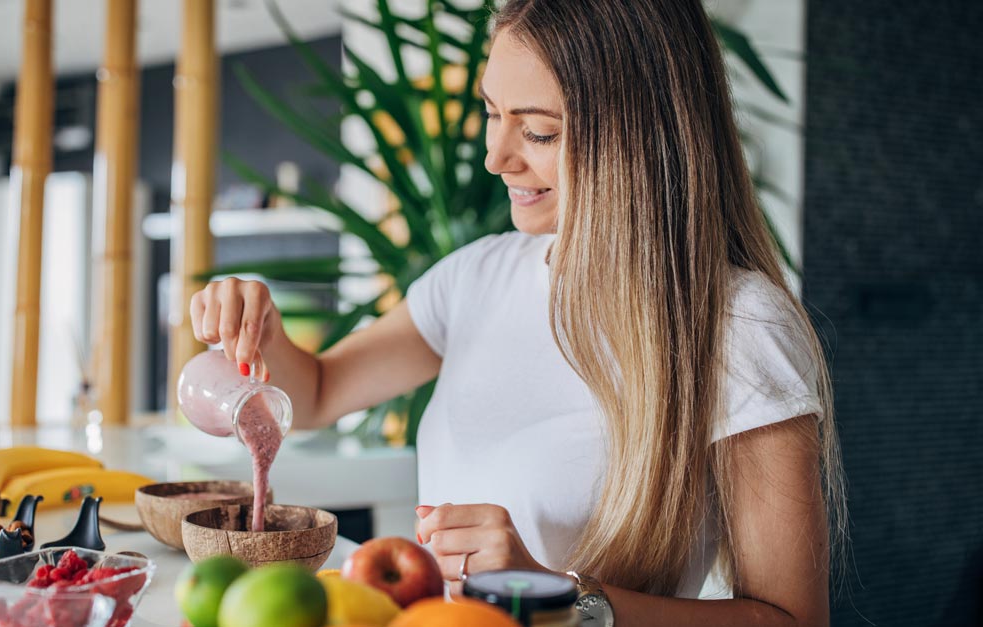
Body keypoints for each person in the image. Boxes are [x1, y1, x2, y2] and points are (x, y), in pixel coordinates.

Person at [190, 0, 845, 624]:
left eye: (537, 130)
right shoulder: (477, 276)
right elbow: (319, 393)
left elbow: (791, 618)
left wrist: (554, 595)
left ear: (640, 139)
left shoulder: (737, 327)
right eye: (491, 112)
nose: (495, 156)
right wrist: (263, 330)